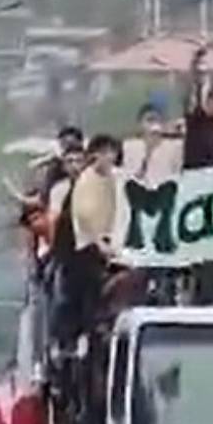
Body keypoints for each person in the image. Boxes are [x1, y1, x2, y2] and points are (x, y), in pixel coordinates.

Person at [63, 135, 121, 342]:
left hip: (115, 243)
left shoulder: (116, 177)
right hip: (89, 246)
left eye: (112, 152)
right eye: (105, 153)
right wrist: (99, 244)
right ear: (95, 155)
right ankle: (87, 332)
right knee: (90, 289)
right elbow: (85, 216)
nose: (110, 157)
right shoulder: (86, 181)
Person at [182, 47, 213, 170]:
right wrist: (196, 64)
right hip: (193, 169)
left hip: (211, 171)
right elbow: (194, 89)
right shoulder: (196, 117)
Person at [122, 103, 181, 185]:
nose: (154, 124)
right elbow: (131, 179)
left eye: (158, 120)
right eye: (149, 120)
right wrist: (148, 153)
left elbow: (177, 175)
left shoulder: (174, 146)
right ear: (140, 123)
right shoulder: (130, 147)